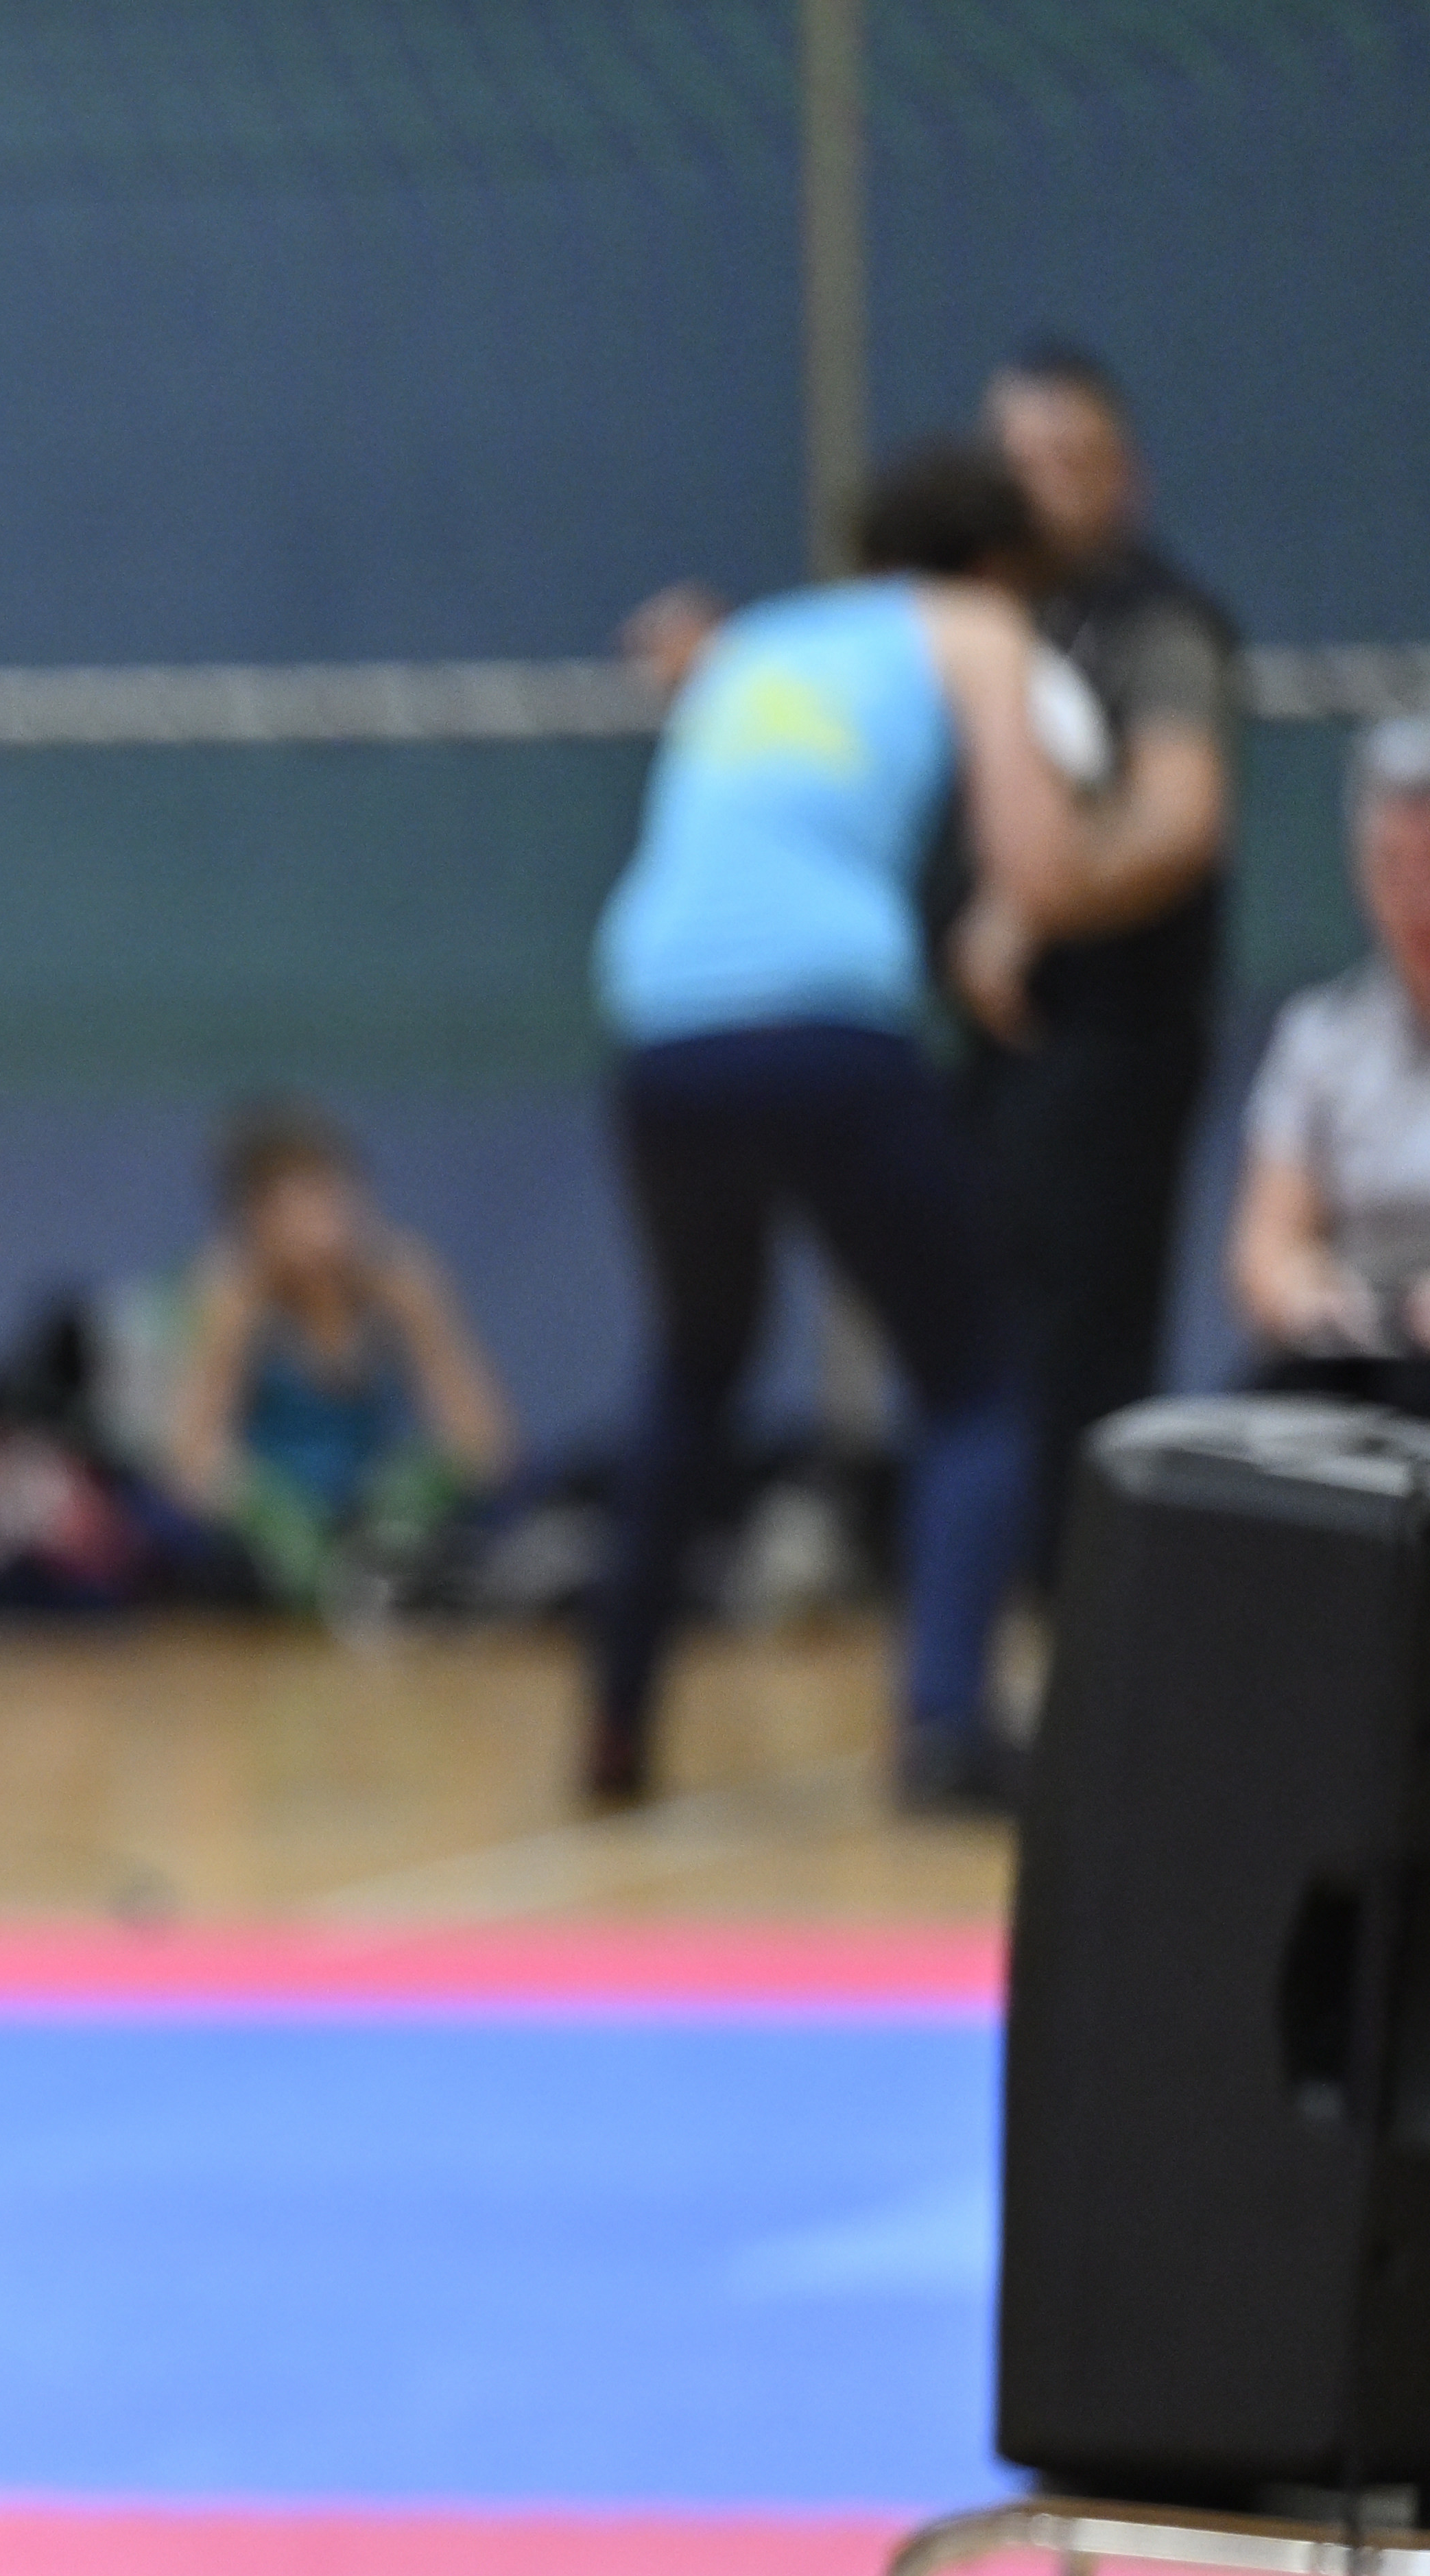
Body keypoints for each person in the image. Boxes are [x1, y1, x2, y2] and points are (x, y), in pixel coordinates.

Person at [582, 438, 1099, 1813]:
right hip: (827, 1023)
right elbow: (1041, 860)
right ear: (995, 562)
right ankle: (945, 1727)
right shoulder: (976, 625)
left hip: (661, 1028)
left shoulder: (761, 641)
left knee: (695, 1362)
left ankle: (616, 1720)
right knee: (972, 1378)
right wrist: (1004, 927)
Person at [977, 342, 1240, 1572]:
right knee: (983, 1334)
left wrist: (1038, 902)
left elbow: (1178, 817)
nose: (1042, 488)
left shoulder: (1153, 622)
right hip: (988, 1050)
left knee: (1080, 1345)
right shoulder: (980, 624)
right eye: (1018, 462)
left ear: (1123, 476)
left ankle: (1081, 1610)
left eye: (1070, 461)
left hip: (1109, 1038)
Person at [153, 1097, 514, 1614]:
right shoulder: (232, 1295)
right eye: (297, 1204)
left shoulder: (401, 1281)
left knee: (505, 1523)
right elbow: (189, 1458)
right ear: (254, 1219)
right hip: (273, 1527)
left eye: (333, 1194)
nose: (325, 1222)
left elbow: (485, 1440)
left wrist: (414, 1497)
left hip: (369, 1511)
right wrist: (271, 1516)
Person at [1225, 718, 1430, 1422]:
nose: (1418, 899)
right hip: (1363, 1372)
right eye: (1394, 866)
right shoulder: (1320, 1036)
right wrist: (1310, 1297)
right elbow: (1265, 1253)